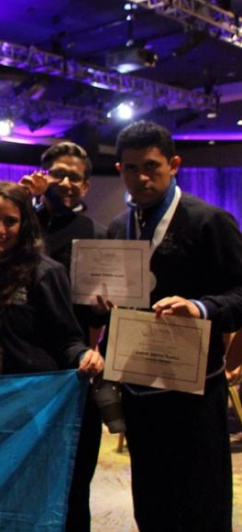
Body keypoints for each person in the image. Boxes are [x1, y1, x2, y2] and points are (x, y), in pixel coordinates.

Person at [102, 121, 242, 531]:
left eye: (152, 166)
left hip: (195, 390)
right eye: (131, 168)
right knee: (152, 501)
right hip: (139, 388)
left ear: (174, 164)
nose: (141, 178)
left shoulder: (209, 221)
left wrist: (200, 307)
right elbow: (110, 307)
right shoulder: (116, 227)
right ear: (119, 170)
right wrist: (101, 305)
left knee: (201, 501)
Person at [20, 141, 106, 532]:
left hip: (72, 370)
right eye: (58, 174)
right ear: (43, 177)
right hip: (19, 369)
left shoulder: (99, 235)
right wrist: (24, 202)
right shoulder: (18, 223)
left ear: (87, 186)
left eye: (75, 177)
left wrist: (105, 309)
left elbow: (94, 312)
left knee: (73, 477)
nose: (66, 182)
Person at [0, 181, 104, 377]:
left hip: (31, 395)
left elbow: (67, 341)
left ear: (25, 224)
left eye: (10, 221)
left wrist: (84, 356)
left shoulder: (47, 273)